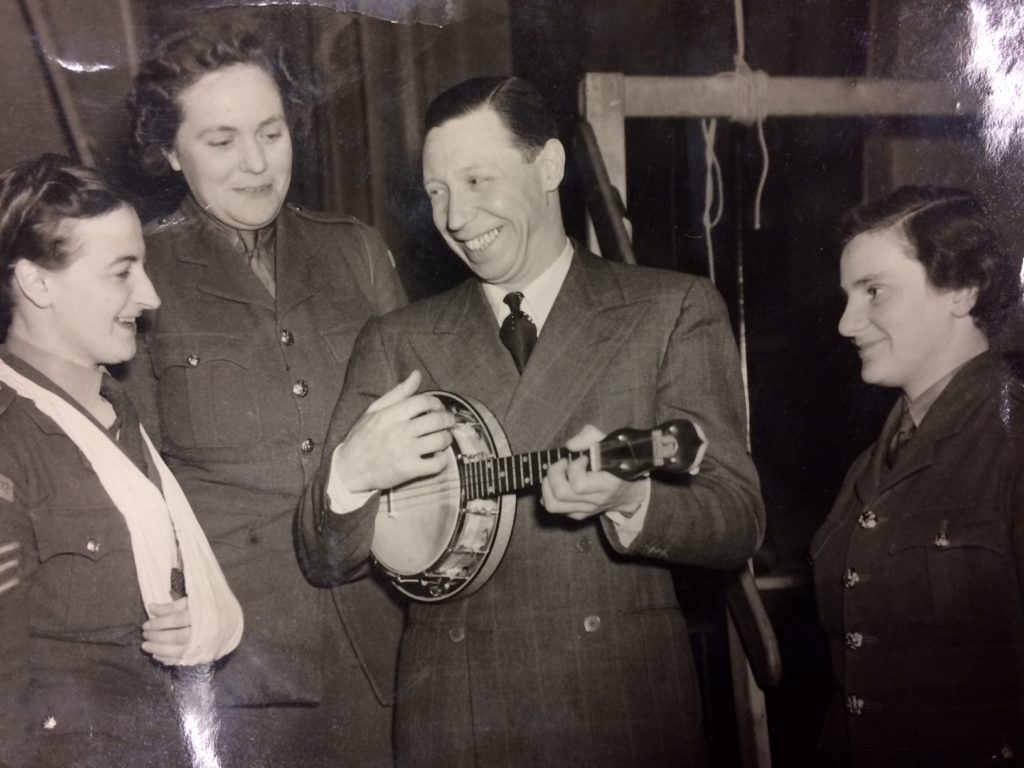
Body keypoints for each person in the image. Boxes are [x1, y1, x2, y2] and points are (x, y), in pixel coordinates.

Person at [296, 76, 765, 767]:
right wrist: (349, 480)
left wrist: (635, 501)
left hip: (622, 714)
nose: (456, 216)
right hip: (458, 720)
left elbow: (737, 519)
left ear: (548, 165)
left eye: (478, 179)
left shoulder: (673, 310)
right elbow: (324, 556)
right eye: (436, 192)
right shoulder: (396, 338)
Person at [124, 22, 407, 767]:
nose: (255, 163)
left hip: (391, 645)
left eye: (271, 132)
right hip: (241, 674)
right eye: (221, 141)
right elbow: (131, 490)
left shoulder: (356, 251)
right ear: (167, 150)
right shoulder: (137, 274)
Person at [0, 154, 243, 767]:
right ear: (37, 283)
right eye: (120, 273)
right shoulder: (10, 441)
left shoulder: (120, 411)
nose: (151, 295)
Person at [810, 186, 1024, 766]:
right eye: (847, 296)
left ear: (961, 289)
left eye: (873, 292)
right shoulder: (871, 463)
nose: (847, 324)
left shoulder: (1013, 444)